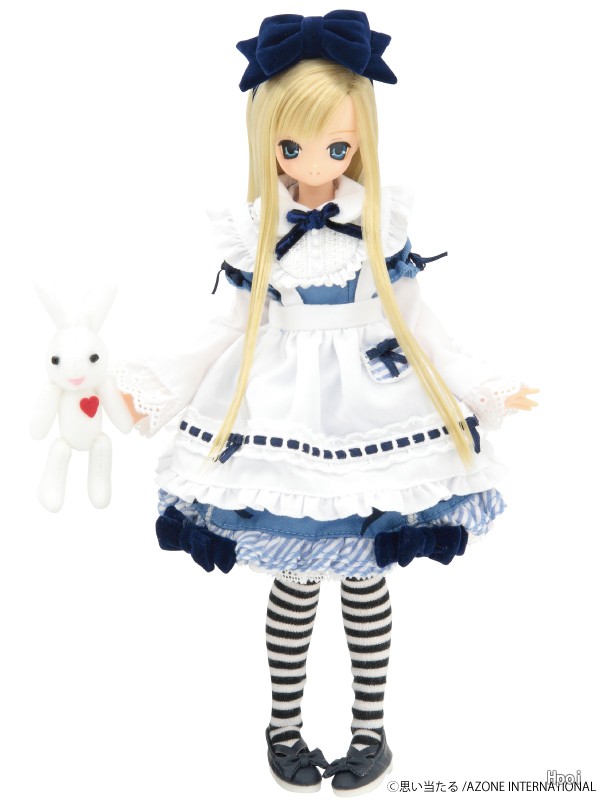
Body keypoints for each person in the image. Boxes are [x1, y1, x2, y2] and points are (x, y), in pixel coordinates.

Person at [114, 10, 538, 796]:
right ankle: (284, 729)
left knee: (367, 576)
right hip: (280, 411)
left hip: (372, 408)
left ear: (361, 142)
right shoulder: (253, 231)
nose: (316, 163)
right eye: (293, 147)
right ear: (267, 143)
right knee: (296, 580)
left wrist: (484, 386)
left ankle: (370, 733)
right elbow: (222, 326)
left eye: (337, 148)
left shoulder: (380, 222)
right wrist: (151, 390)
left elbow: (420, 323)